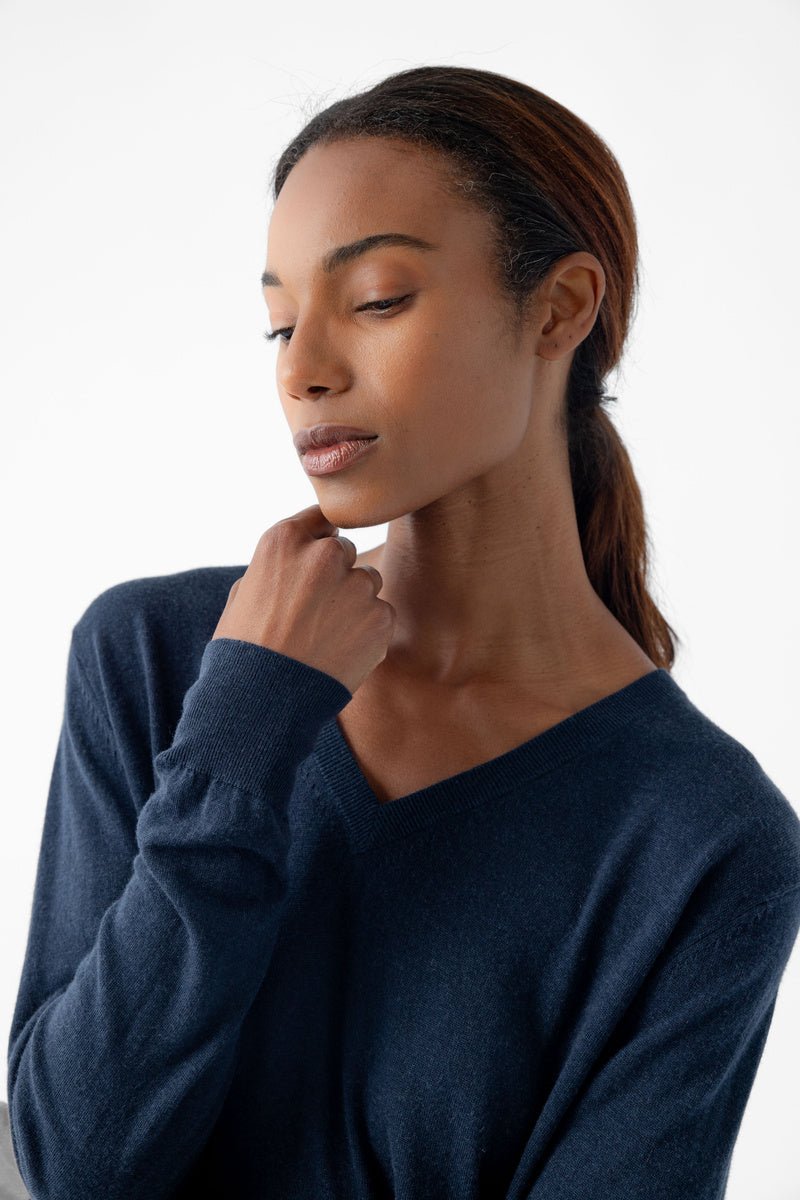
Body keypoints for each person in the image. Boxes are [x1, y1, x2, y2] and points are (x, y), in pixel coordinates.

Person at [7, 64, 800, 1199]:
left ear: (561, 307)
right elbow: (75, 1161)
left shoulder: (699, 837)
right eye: (279, 321)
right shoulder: (159, 658)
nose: (301, 369)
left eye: (375, 300)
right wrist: (242, 730)